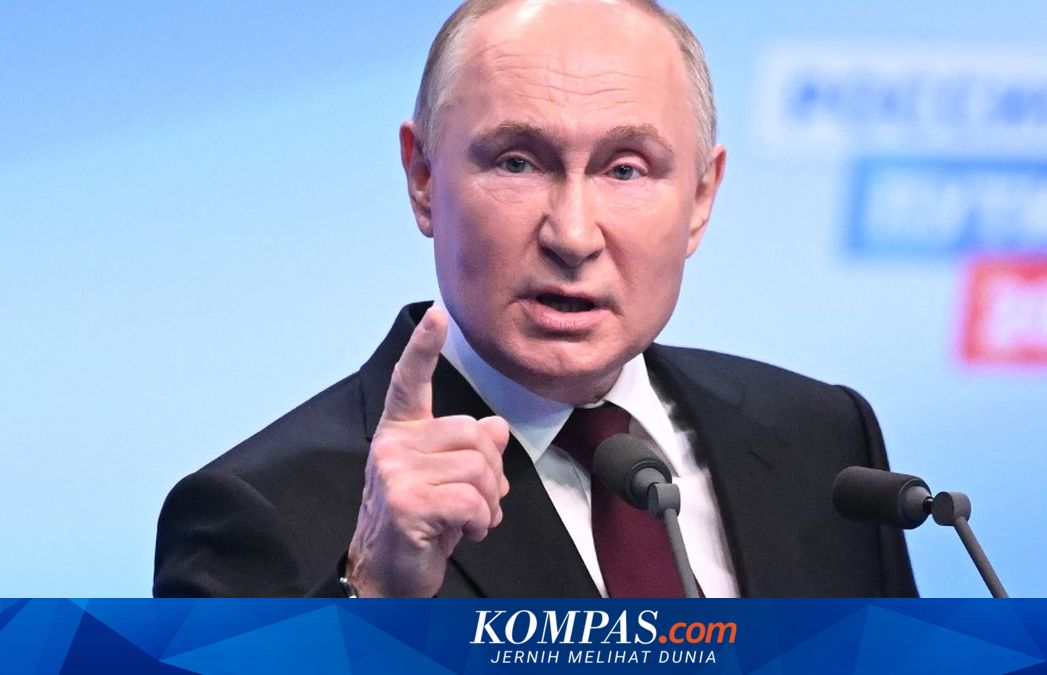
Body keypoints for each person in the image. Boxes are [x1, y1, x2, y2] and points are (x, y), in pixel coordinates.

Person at [153, 0, 917, 598]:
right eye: (517, 162)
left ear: (700, 197)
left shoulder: (823, 442)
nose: (573, 234)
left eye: (625, 169)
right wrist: (374, 599)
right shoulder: (255, 515)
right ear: (422, 178)